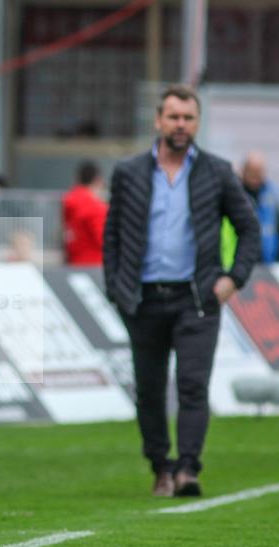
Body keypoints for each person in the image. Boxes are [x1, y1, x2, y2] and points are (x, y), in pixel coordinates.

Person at [103, 85, 260, 498]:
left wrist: (232, 280)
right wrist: (116, 290)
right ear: (158, 120)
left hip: (198, 299)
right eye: (173, 117)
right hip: (143, 299)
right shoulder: (129, 172)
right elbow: (113, 234)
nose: (180, 125)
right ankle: (161, 467)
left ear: (197, 123)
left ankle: (188, 469)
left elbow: (250, 229)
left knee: (192, 386)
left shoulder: (217, 171)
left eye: (188, 118)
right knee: (149, 391)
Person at [222, 152, 279, 268]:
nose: (256, 177)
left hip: (267, 262)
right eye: (252, 172)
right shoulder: (233, 193)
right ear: (244, 170)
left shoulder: (271, 193)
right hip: (239, 262)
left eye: (259, 172)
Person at [62, 161, 108, 266]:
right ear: (98, 180)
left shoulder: (69, 201)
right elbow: (104, 241)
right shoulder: (96, 207)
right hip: (94, 264)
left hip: (73, 262)